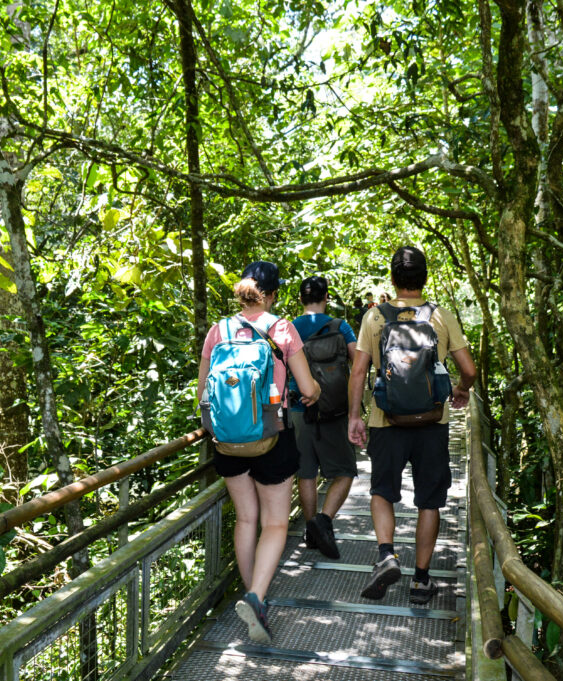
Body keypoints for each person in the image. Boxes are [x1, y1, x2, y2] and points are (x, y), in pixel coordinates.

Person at [197, 261, 321, 643]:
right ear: (272, 294)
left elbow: (202, 391)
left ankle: (254, 598)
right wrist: (310, 393)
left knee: (246, 520)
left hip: (227, 441)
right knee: (276, 524)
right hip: (272, 437)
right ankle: (256, 597)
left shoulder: (218, 330)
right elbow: (308, 387)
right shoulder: (282, 329)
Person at [347, 246, 476, 605]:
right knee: (428, 501)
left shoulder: (374, 318)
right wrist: (462, 391)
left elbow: (358, 371)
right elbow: (469, 369)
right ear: (425, 278)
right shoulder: (441, 316)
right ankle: (421, 581)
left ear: (393, 278)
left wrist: (355, 416)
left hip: (386, 420)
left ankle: (387, 554)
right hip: (432, 421)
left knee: (382, 491)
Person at [289, 276, 358, 559]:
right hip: (334, 410)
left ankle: (310, 529)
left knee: (306, 472)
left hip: (297, 409)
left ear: (301, 300)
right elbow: (358, 362)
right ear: (326, 297)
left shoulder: (290, 328)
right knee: (344, 471)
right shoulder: (341, 326)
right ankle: (325, 520)